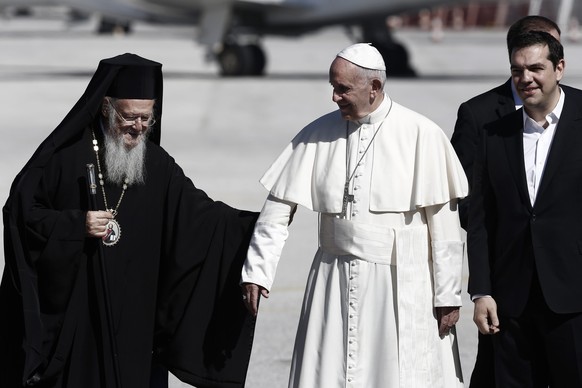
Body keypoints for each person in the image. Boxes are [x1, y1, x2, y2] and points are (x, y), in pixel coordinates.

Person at [0, 53, 258, 388]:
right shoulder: (65, 159)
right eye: (129, 117)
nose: (138, 127)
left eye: (146, 119)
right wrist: (75, 225)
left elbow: (203, 218)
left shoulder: (157, 164)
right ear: (106, 107)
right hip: (78, 318)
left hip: (137, 317)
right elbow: (22, 214)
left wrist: (259, 224)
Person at [241, 43, 468, 387]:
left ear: (374, 87)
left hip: (398, 283)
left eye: (343, 88)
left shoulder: (422, 134)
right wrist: (258, 271)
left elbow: (445, 226)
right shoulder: (318, 133)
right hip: (332, 278)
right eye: (333, 86)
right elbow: (277, 211)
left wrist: (448, 294)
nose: (334, 97)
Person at [450, 15, 565, 388]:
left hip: (569, 288)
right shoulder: (480, 116)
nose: (529, 76)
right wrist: (483, 283)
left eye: (540, 64)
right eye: (521, 67)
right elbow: (471, 203)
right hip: (509, 288)